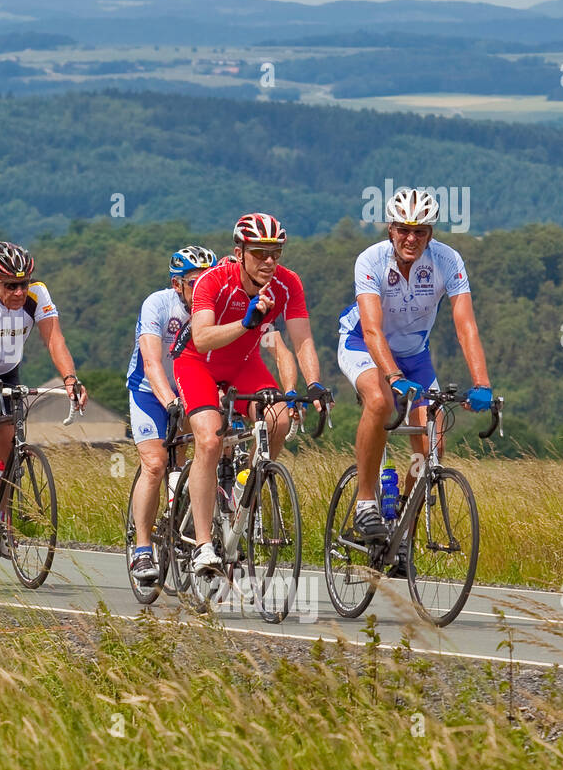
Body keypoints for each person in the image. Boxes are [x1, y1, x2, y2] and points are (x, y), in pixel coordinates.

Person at [337, 187, 492, 569]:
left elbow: (466, 325)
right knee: (380, 401)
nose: (411, 238)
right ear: (390, 229)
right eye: (403, 229)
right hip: (363, 345)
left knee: (432, 440)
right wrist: (391, 376)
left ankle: (402, 534)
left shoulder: (447, 261)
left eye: (420, 231)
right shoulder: (370, 260)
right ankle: (366, 501)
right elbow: (371, 330)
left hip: (415, 356)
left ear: (431, 233)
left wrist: (483, 383)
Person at [169, 215, 331, 577]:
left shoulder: (287, 284)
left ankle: (246, 489)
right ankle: (203, 545)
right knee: (210, 441)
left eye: (275, 253)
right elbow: (203, 337)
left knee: (279, 419)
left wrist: (314, 383)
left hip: (244, 364)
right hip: (199, 363)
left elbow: (302, 339)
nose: (269, 261)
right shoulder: (215, 281)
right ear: (239, 252)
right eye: (259, 253)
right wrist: (245, 324)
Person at [125, 246, 216, 580]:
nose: (202, 288)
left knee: (208, 453)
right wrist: (170, 402)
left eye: (208, 280)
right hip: (150, 392)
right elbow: (151, 363)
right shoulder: (158, 304)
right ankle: (143, 548)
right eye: (195, 282)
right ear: (177, 284)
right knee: (155, 464)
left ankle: (195, 529)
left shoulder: (211, 307)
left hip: (190, 388)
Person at [0, 241, 89, 476]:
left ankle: (1, 506)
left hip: (8, 368)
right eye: (11, 286)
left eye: (23, 283)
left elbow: (54, 340)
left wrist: (70, 379)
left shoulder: (37, 293)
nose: (19, 292)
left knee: (9, 448)